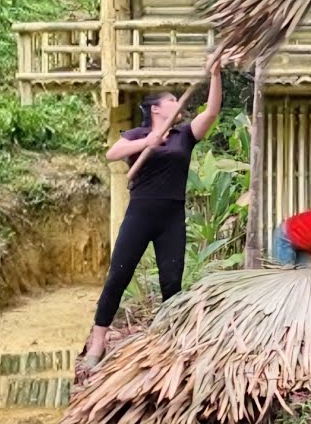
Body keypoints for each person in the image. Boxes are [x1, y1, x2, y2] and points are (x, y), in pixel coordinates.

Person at [79, 61, 223, 375]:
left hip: (171, 215)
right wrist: (148, 142)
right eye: (172, 100)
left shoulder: (184, 135)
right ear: (157, 109)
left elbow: (211, 111)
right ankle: (97, 343)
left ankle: (169, 341)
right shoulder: (138, 133)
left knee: (172, 281)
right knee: (118, 275)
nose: (178, 104)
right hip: (141, 212)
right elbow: (113, 153)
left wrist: (214, 75)